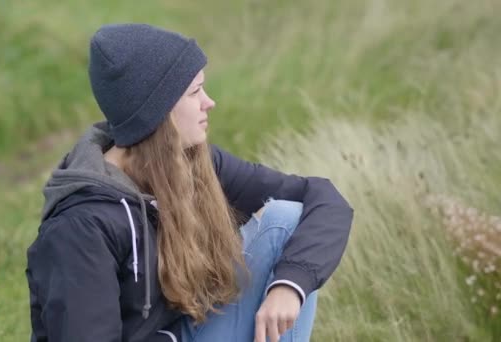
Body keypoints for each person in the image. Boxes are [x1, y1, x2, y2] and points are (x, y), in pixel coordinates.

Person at [25, 23, 353, 342]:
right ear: (157, 112)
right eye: (194, 92)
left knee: (285, 220)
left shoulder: (192, 162)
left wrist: (289, 285)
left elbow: (323, 198)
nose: (209, 102)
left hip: (189, 331)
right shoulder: (82, 227)